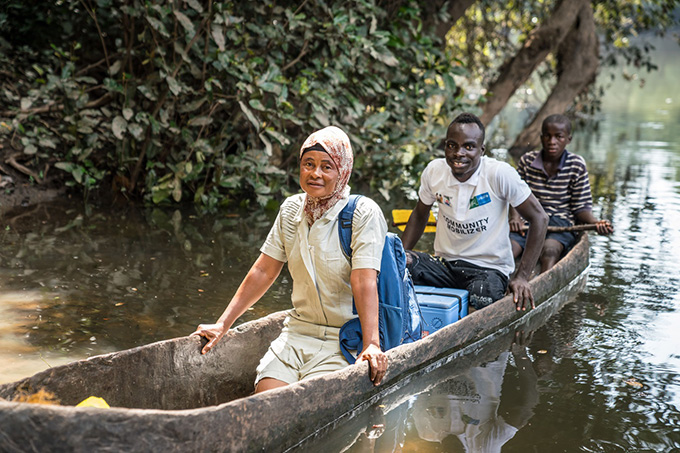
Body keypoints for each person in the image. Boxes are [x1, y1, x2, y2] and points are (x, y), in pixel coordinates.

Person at [192, 126, 388, 392]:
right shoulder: (291, 209)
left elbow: (364, 281)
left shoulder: (362, 213)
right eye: (308, 164)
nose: (315, 173)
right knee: (267, 395)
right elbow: (264, 270)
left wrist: (371, 345)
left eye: (326, 167)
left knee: (313, 398)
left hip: (346, 338)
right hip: (297, 332)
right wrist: (223, 324)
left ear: (342, 172)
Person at [402, 112, 548, 311]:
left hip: (488, 270)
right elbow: (420, 214)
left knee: (483, 296)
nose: (458, 153)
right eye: (452, 145)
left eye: (468, 147)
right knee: (399, 265)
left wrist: (522, 277)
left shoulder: (499, 174)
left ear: (482, 150)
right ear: (445, 146)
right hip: (445, 264)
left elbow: (539, 218)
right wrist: (400, 255)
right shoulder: (434, 171)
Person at [509, 114, 613, 273]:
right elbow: (514, 196)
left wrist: (596, 222)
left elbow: (581, 208)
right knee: (509, 251)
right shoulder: (527, 161)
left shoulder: (576, 165)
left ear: (568, 139)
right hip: (528, 222)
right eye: (548, 136)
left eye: (559, 137)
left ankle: (542, 284)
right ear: (541, 137)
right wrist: (515, 217)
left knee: (550, 251)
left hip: (560, 223)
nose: (552, 142)